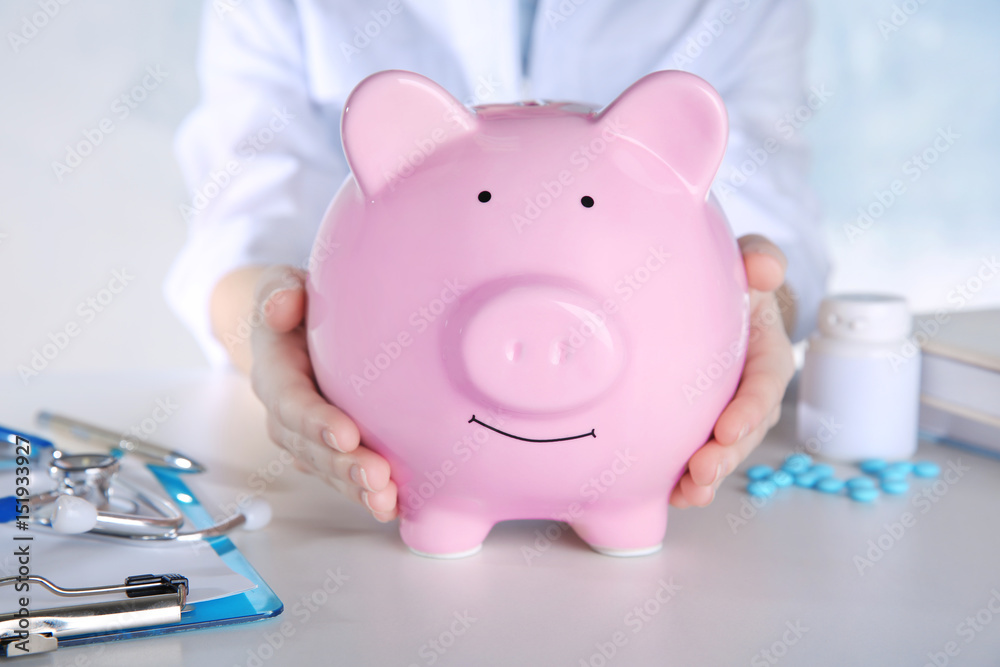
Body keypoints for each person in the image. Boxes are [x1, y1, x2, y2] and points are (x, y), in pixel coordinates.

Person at [167, 0, 828, 524]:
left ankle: (621, 508)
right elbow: (249, 216)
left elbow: (760, 214)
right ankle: (455, 510)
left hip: (644, 439)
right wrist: (274, 331)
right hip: (387, 423)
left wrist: (753, 312)